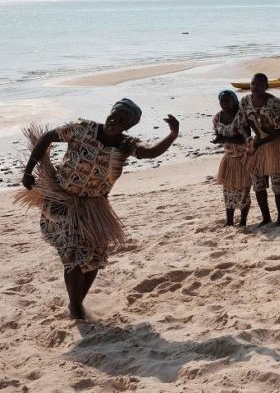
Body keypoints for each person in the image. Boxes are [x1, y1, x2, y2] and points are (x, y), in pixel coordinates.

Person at [16, 99, 179, 320]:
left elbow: (149, 152)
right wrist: (28, 171)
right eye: (115, 114)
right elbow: (46, 138)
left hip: (95, 205)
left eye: (123, 119)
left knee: (94, 258)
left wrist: (171, 136)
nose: (115, 120)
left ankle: (77, 303)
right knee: (72, 254)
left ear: (128, 126)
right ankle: (75, 309)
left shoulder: (126, 144)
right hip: (62, 201)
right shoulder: (83, 129)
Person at [239, 73, 280, 226]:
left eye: (259, 85)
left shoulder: (274, 103)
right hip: (256, 143)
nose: (255, 87)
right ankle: (266, 217)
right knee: (258, 183)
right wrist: (247, 140)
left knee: (277, 183)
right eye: (253, 84)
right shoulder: (245, 101)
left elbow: (279, 129)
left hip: (275, 142)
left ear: (266, 86)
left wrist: (259, 144)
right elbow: (243, 124)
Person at [212, 90, 251, 227]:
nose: (224, 103)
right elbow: (218, 134)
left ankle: (243, 221)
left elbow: (244, 139)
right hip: (228, 158)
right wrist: (218, 140)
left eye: (228, 100)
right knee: (228, 191)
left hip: (242, 159)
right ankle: (229, 221)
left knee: (243, 191)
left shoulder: (241, 116)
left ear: (234, 101)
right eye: (222, 101)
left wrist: (224, 138)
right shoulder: (217, 118)